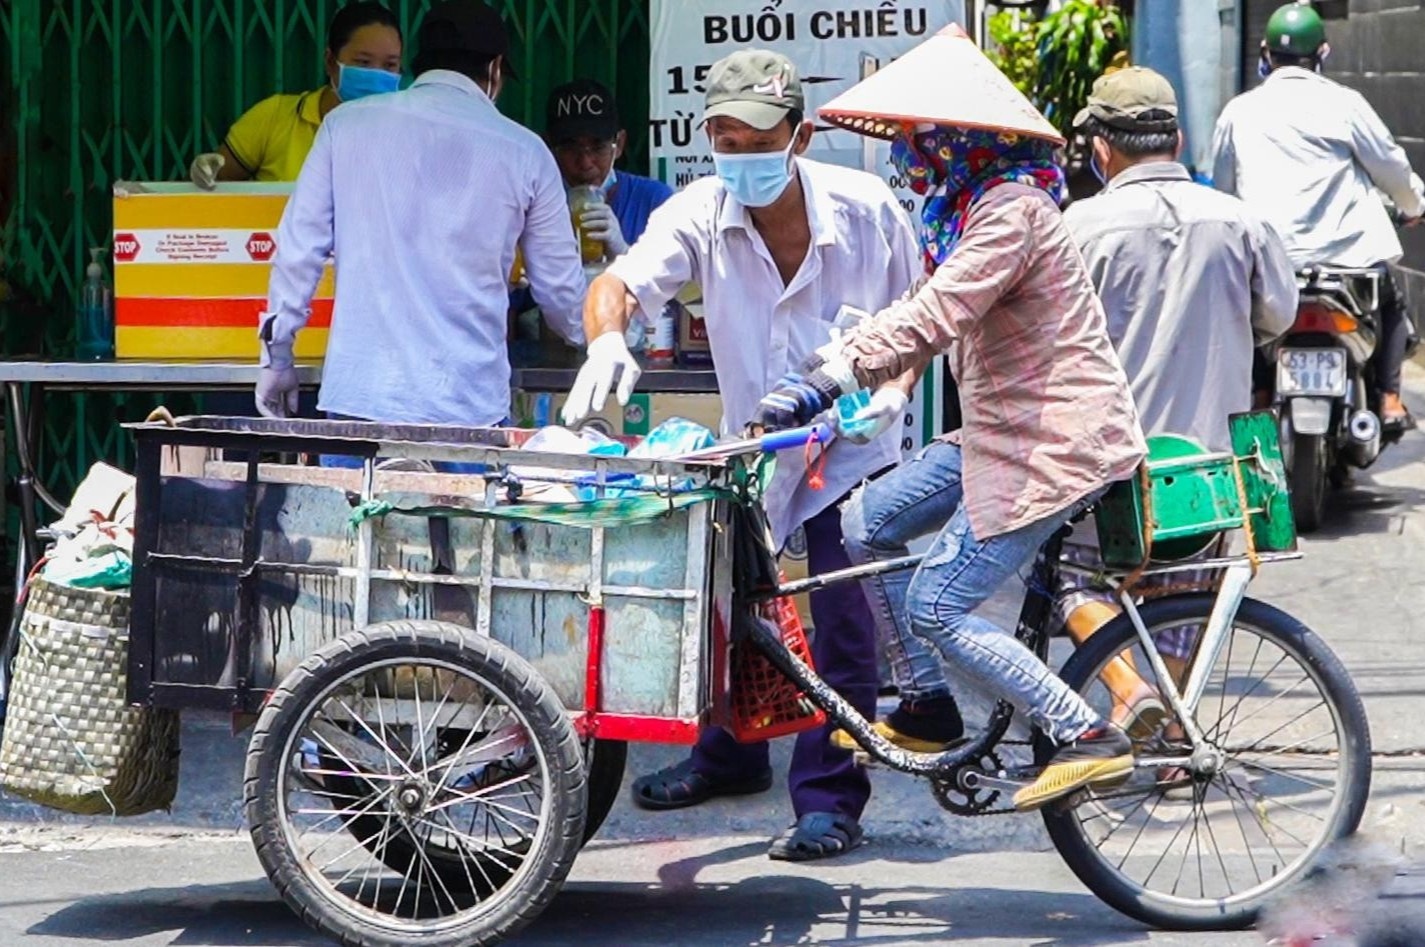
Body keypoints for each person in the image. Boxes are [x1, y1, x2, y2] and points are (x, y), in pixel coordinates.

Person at [760, 25, 1148, 812]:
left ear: (956, 139)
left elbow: (941, 309)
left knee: (936, 603)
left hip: (1055, 443)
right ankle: (930, 706)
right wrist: (880, 381)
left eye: (916, 139)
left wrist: (835, 374)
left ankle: (1085, 732)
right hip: (1002, 431)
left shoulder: (1012, 212)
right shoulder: (970, 210)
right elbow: (922, 312)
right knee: (865, 519)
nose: (907, 157)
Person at [560, 50, 920, 860]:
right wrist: (607, 341)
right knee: (730, 610)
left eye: (759, 138)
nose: (741, 154)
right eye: (724, 136)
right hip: (756, 446)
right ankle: (730, 754)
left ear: (799, 136)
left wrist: (894, 391)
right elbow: (617, 284)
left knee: (841, 625)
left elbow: (916, 320)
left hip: (853, 449)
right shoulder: (697, 210)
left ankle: (830, 795)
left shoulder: (868, 212)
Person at [1058, 66, 1297, 728]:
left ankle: (1129, 689)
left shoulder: (1080, 225)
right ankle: (1170, 731)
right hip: (1208, 467)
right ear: (1177, 138)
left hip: (1111, 468)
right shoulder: (1238, 220)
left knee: (1069, 580)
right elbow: (1277, 314)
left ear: (1101, 148)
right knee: (1191, 590)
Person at [255, 0, 585, 435]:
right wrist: (602, 336)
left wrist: (277, 356)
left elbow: (299, 252)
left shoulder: (345, 127)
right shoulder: (525, 152)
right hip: (471, 408)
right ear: (495, 69)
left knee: (356, 507)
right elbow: (562, 297)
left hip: (361, 400)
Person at [1211, 1, 1425, 431]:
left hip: (1273, 261)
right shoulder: (1345, 104)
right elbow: (1391, 165)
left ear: (1267, 55)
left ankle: (1256, 394)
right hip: (1348, 259)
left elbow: (1222, 189)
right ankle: (1388, 398)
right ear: (1323, 53)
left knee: (1242, 315)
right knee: (1391, 305)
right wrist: (1413, 206)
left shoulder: (1240, 110)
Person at [189, 2, 403, 188]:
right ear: (330, 62)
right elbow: (215, 187)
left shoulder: (406, 135)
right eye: (363, 62)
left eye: (390, 65)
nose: (377, 75)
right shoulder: (275, 117)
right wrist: (205, 173)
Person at [545, 79, 674, 258]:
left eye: (598, 147)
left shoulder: (654, 200)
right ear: (549, 148)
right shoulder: (536, 204)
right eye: (570, 147)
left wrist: (623, 252)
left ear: (619, 144)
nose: (585, 163)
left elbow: (678, 283)